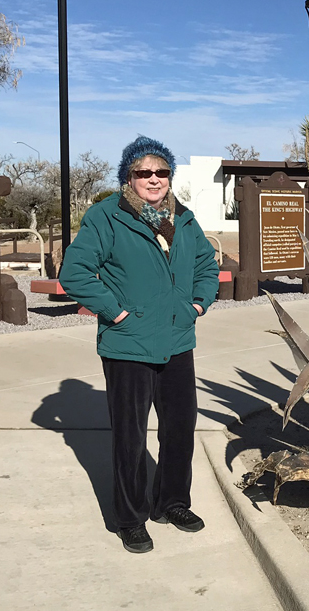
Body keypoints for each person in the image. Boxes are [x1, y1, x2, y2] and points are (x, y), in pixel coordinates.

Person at [60, 136, 220, 554]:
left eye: (161, 171)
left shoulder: (182, 218)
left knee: (180, 429)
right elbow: (75, 273)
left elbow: (206, 264)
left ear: (170, 177)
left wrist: (198, 305)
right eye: (143, 172)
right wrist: (116, 313)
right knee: (130, 438)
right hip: (128, 345)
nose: (153, 179)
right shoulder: (106, 217)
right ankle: (130, 518)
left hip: (178, 340)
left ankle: (172, 502)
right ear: (128, 177)